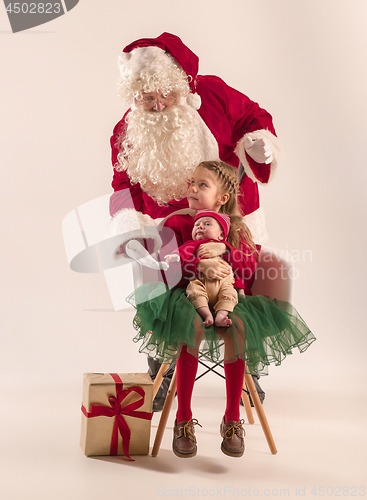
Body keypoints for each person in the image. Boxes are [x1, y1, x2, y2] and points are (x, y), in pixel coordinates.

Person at [109, 32, 282, 411]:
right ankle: (162, 369)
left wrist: (257, 141)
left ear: (179, 86)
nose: (157, 106)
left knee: (240, 284)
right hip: (167, 224)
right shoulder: (128, 129)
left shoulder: (213, 95)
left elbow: (252, 116)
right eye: (147, 98)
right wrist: (126, 220)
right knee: (160, 291)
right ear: (134, 95)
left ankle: (245, 371)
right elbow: (122, 182)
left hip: (225, 216)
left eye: (165, 95)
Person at [128, 161, 316, 458]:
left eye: (202, 185)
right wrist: (197, 263)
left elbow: (250, 267)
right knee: (190, 328)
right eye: (192, 183)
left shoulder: (238, 229)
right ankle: (183, 419)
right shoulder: (177, 223)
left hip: (230, 297)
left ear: (222, 198)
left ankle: (231, 419)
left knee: (238, 328)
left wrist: (226, 253)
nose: (192, 188)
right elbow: (165, 267)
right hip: (186, 296)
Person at [165, 210, 239, 328]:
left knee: (230, 294)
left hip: (224, 283)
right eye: (197, 224)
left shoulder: (226, 249)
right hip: (201, 281)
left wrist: (240, 287)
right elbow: (183, 251)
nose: (200, 226)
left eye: (207, 224)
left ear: (221, 235)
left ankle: (221, 315)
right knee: (194, 291)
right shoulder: (194, 244)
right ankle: (207, 314)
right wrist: (176, 256)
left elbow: (237, 267)